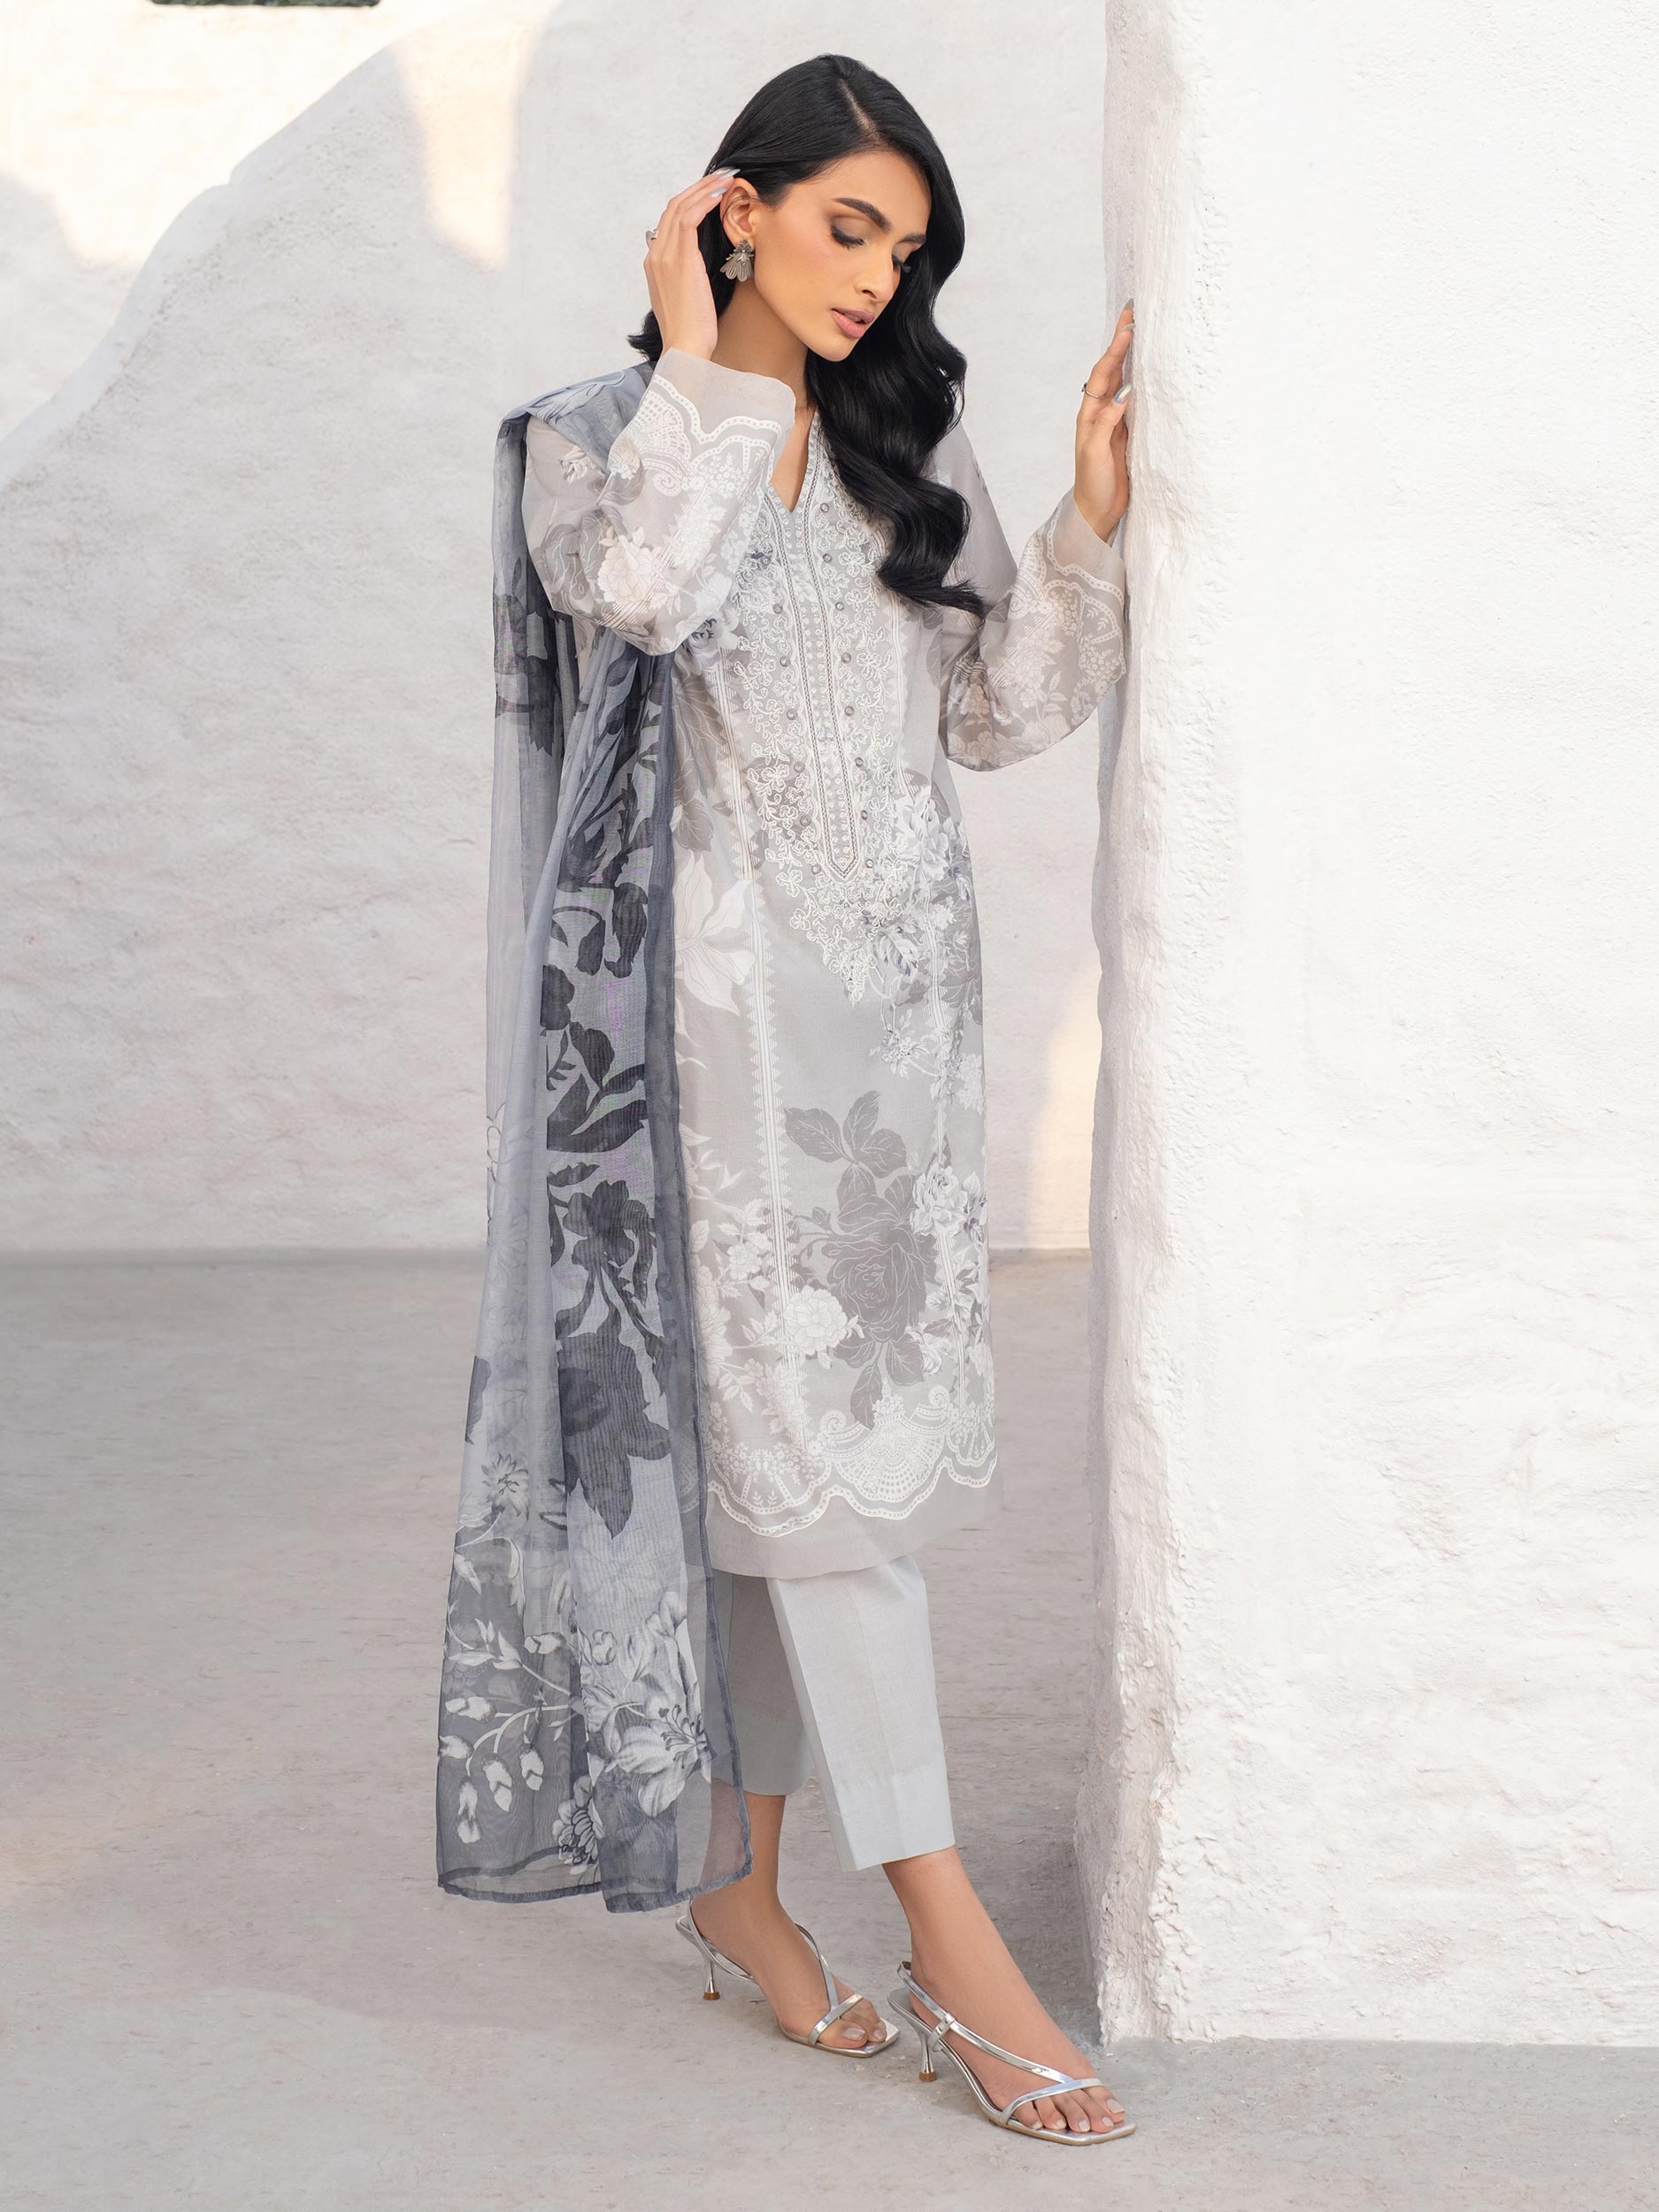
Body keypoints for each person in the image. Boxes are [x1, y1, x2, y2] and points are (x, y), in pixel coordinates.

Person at [450, 51, 1133, 2146]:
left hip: (900, 1047)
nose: (874, 281)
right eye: (846, 227)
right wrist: (699, 355)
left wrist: (1087, 522)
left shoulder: (894, 440)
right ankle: (944, 1927)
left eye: (903, 250)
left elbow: (996, 712)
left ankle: (738, 1883)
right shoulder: (602, 441)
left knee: (801, 1479)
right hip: (723, 1052)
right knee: (825, 1498)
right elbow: (646, 594)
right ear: (730, 207)